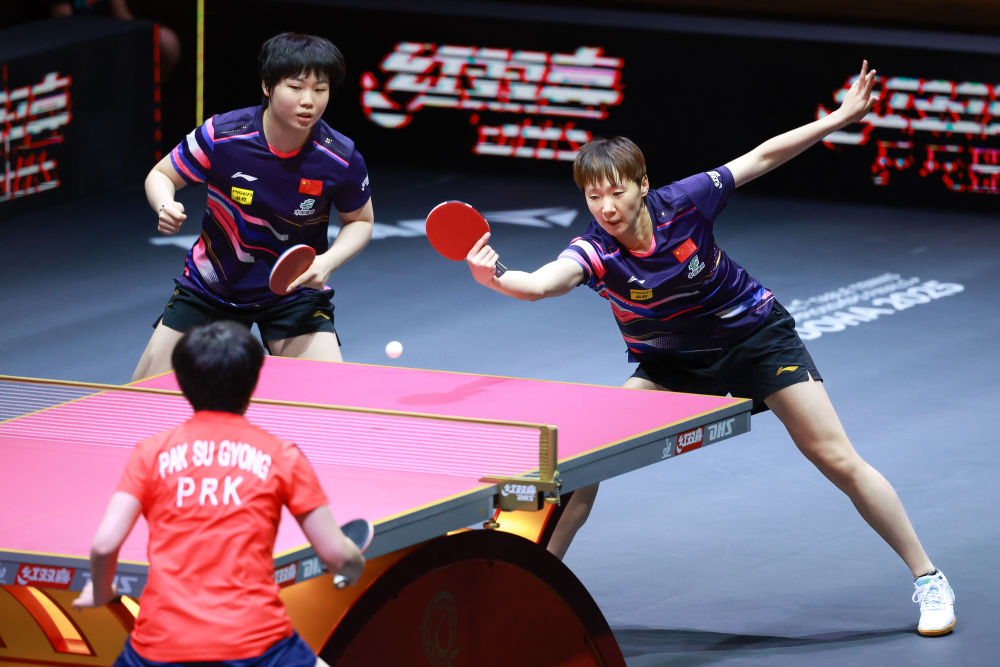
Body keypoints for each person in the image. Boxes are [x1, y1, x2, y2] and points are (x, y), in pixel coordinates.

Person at [464, 61, 956, 637]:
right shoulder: (595, 250)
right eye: (594, 196)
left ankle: (929, 577)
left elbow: (762, 157)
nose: (606, 207)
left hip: (756, 337)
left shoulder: (686, 202)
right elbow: (543, 283)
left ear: (642, 184)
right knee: (585, 459)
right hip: (674, 363)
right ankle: (532, 587)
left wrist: (839, 118)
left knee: (834, 456)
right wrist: (497, 277)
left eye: (616, 192)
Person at [72, 321, 365, 666]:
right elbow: (336, 554)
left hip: (161, 647)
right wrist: (353, 565)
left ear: (182, 382)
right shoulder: (281, 456)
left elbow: (104, 545)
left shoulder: (150, 453)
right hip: (257, 647)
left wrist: (102, 591)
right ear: (253, 381)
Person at [132, 32, 374, 381]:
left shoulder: (340, 156)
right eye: (296, 87)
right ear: (267, 85)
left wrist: (327, 261)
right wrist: (165, 203)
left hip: (295, 292)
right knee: (143, 397)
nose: (308, 101)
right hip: (212, 287)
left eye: (320, 89)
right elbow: (161, 175)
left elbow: (361, 221)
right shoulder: (223, 135)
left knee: (327, 399)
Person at [47, 0, 181, 79]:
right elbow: (67, 28)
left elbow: (123, 18)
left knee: (167, 41)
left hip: (113, 37)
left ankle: (148, 96)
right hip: (82, 45)